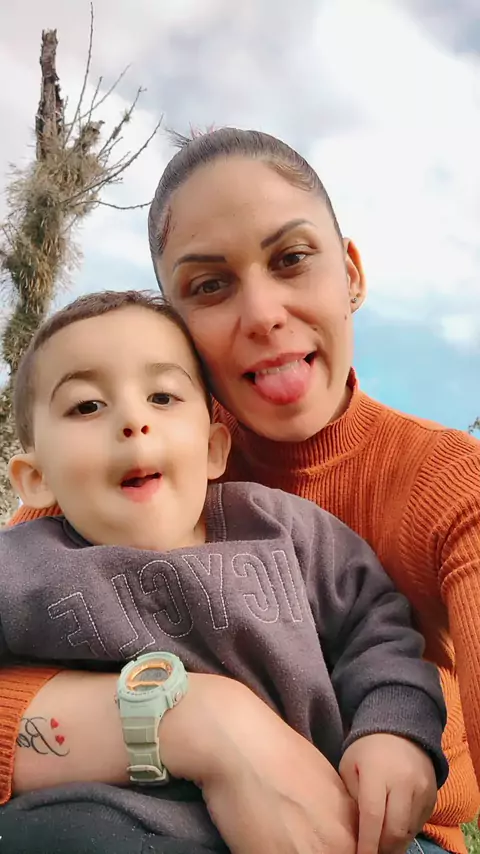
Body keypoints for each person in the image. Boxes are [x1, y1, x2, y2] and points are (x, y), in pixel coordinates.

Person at [2, 127, 479, 854]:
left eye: (292, 258)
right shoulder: (87, 495)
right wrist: (192, 719)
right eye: (209, 285)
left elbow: (378, 636)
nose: (262, 314)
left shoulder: (438, 489)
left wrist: (393, 730)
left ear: (351, 273)